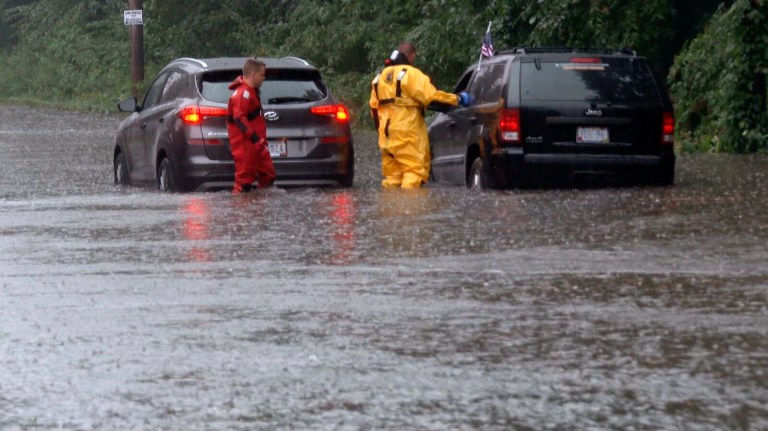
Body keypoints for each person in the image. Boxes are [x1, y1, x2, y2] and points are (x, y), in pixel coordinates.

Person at [369, 41, 471, 188]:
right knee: (414, 174)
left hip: (386, 137)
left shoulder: (379, 78)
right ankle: (411, 209)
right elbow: (431, 97)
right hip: (408, 135)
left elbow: (373, 108)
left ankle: (390, 209)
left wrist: (382, 131)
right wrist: (457, 99)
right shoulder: (411, 74)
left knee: (392, 178)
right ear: (412, 55)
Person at [227, 58, 276, 194]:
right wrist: (254, 138)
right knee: (244, 181)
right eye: (262, 75)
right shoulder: (243, 93)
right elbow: (239, 118)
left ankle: (258, 206)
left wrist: (258, 142)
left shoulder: (250, 92)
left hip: (256, 145)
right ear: (253, 74)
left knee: (268, 174)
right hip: (246, 144)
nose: (264, 78)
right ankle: (242, 210)